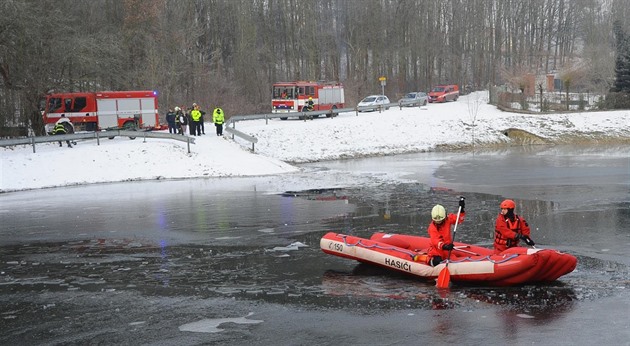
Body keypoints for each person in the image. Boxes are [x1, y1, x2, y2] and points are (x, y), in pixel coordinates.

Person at [426, 198, 465, 267]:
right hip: (436, 251)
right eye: (436, 221)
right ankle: (429, 260)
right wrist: (444, 246)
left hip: (447, 251)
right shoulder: (432, 228)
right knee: (437, 261)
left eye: (440, 221)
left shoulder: (448, 219)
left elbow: (459, 219)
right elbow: (435, 241)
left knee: (455, 263)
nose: (438, 223)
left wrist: (461, 210)